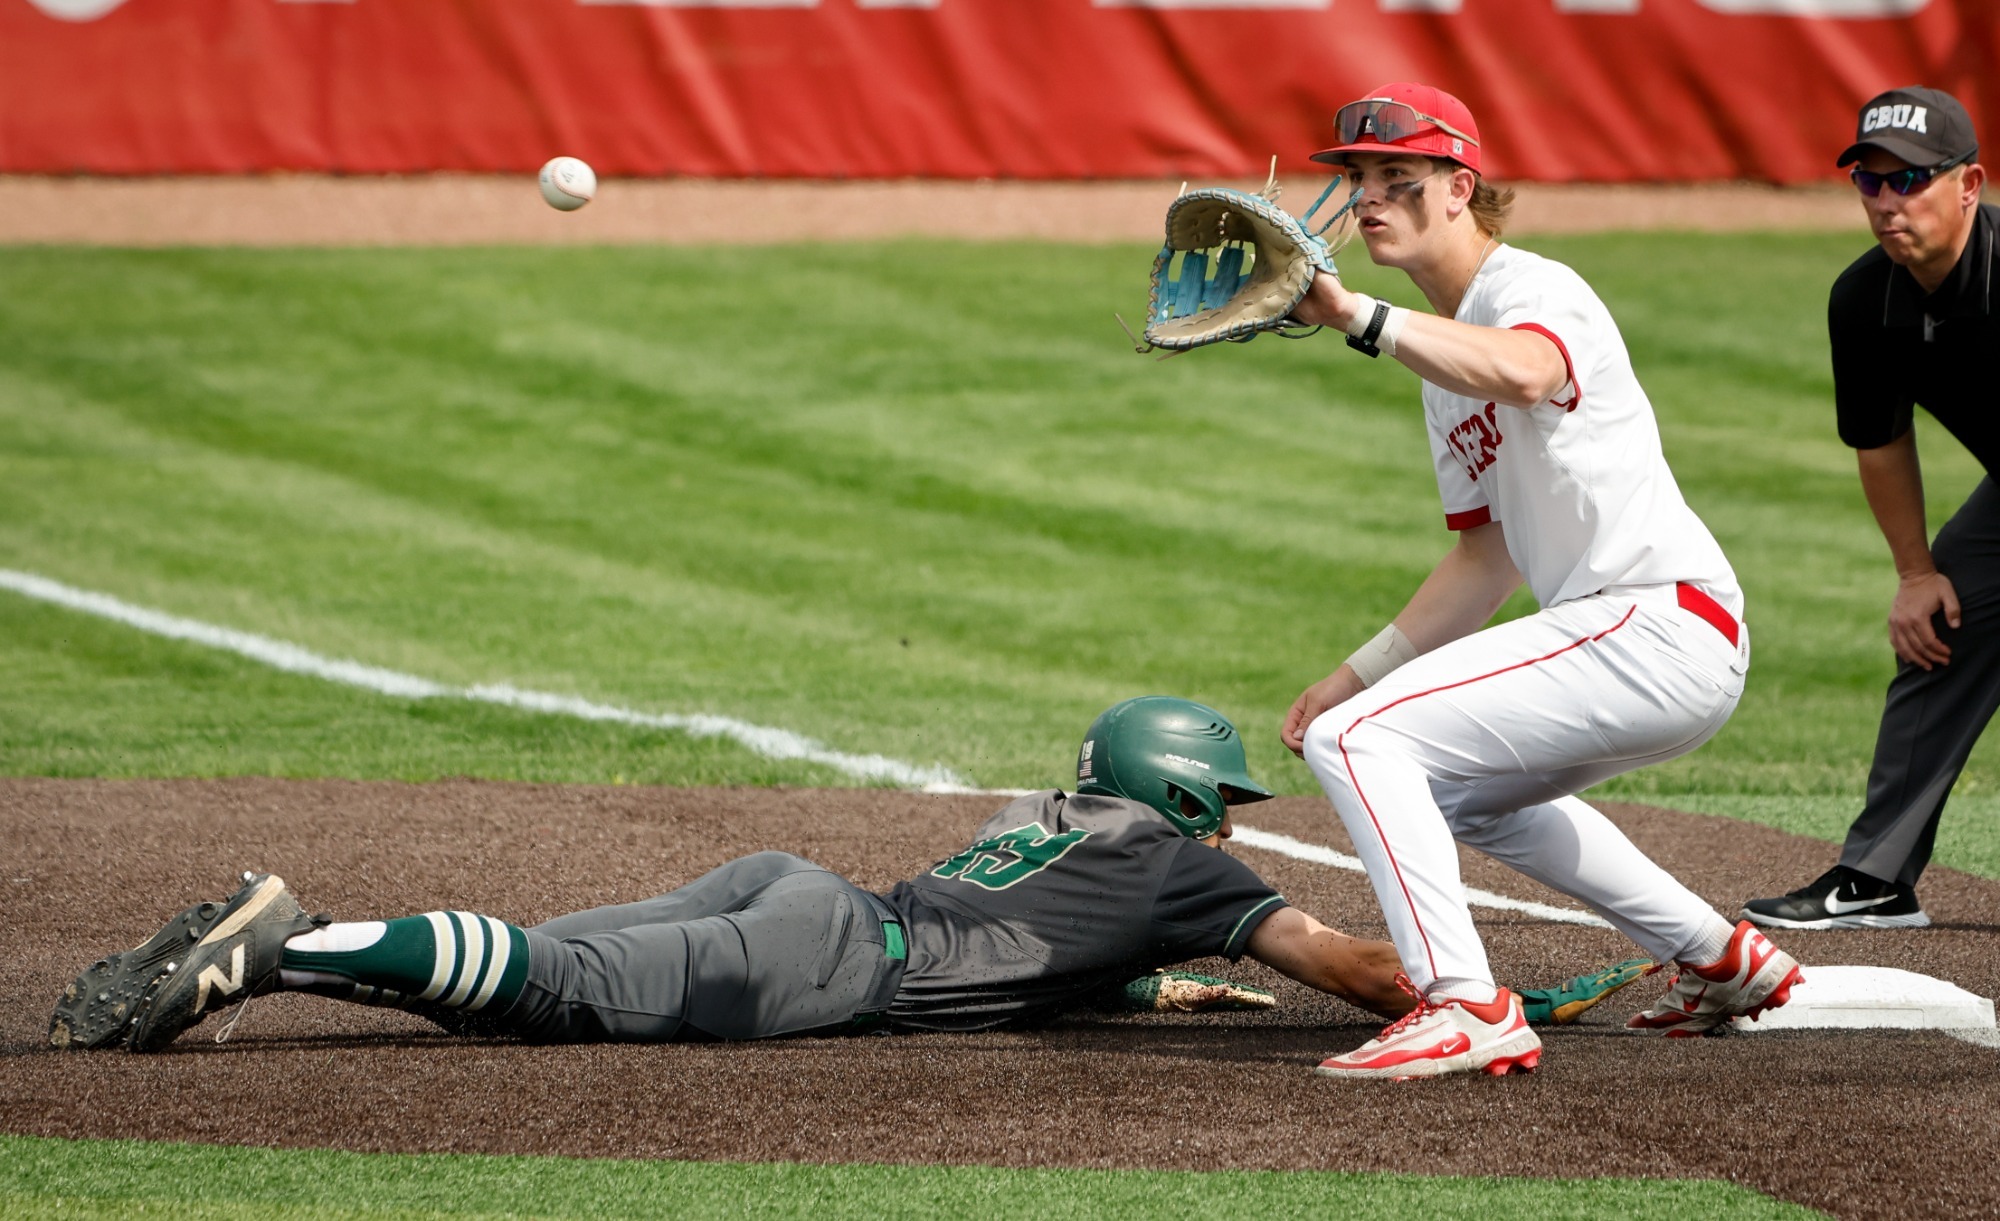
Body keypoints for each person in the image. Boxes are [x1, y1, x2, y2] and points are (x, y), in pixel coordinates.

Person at [49, 697, 1645, 1057]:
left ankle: (306, 941)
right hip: (833, 958)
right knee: (565, 995)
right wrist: (1484, 994)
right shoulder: (1176, 861)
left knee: (534, 968)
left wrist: (1145, 981)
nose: (1229, 822)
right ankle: (279, 944)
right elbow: (1357, 970)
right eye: (1215, 797)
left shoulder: (1063, 823)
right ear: (1177, 790)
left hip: (799, 888)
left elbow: (1047, 943)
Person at [1277, 83, 1802, 1081]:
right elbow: (1487, 560)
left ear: (1458, 188)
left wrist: (1355, 317)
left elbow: (1522, 371)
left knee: (1364, 744)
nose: (1369, 198)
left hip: (1655, 619)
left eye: (1398, 178)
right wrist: (1353, 671)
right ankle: (1724, 959)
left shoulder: (1533, 289)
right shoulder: (1440, 361)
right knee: (1449, 784)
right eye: (1356, 179)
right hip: (1634, 637)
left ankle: (1464, 1004)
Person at [1744, 88, 1994, 932]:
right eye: (1871, 183)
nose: (1889, 203)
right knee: (1942, 631)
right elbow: (1881, 440)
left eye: (1913, 180)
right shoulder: (1866, 299)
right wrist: (1917, 572)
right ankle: (1876, 876)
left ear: (1970, 184)